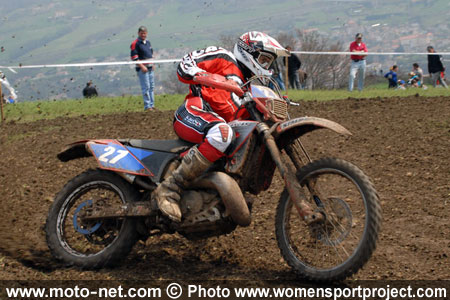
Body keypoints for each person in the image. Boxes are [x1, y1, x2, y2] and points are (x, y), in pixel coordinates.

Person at [153, 31, 289, 222]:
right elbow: (185, 65)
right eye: (264, 60)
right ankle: (169, 189)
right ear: (250, 52)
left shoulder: (249, 87)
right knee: (222, 133)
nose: (267, 67)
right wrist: (210, 78)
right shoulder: (223, 57)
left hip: (216, 126)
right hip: (193, 111)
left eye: (270, 62)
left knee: (243, 139)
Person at [130, 26, 156, 111]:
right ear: (138, 33)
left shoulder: (148, 43)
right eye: (142, 33)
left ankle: (152, 105)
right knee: (146, 87)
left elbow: (151, 54)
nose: (143, 35)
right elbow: (134, 57)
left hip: (150, 68)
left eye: (144, 33)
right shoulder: (135, 43)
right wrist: (141, 66)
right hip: (143, 69)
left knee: (151, 86)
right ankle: (147, 106)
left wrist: (153, 64)